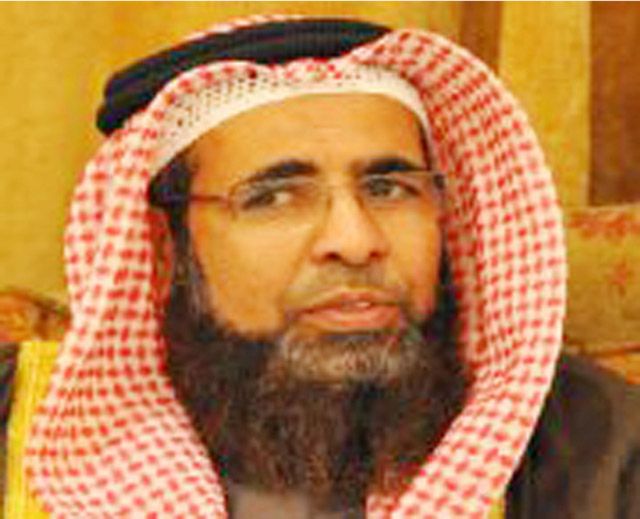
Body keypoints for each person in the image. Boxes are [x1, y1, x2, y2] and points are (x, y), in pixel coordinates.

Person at [20, 15, 640, 518]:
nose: (355, 240)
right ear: (165, 249)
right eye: (273, 197)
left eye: (390, 188)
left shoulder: (601, 448)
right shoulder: (12, 426)